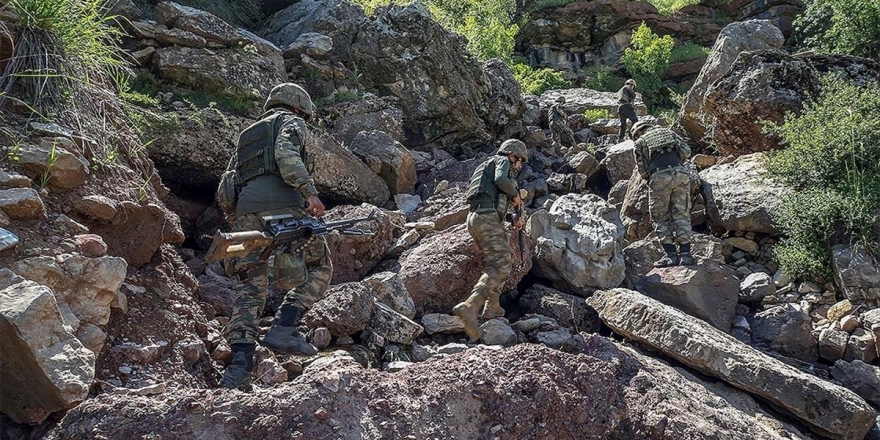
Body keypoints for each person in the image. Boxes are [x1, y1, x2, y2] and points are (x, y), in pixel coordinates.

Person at [215, 83, 333, 389]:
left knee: (250, 286)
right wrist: (309, 191)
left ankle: (240, 364)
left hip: (246, 214)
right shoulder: (291, 121)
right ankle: (285, 327)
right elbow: (285, 151)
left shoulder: (246, 136)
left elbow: (227, 185)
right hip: (287, 208)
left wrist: (239, 222)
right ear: (299, 107)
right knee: (320, 265)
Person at [453, 139, 528, 340]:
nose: (520, 166)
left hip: (476, 218)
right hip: (486, 219)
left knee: (499, 263)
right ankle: (470, 307)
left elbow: (491, 198)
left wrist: (513, 218)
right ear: (511, 155)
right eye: (520, 161)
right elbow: (501, 181)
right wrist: (516, 195)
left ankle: (492, 307)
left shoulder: (485, 167)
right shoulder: (501, 161)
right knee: (500, 264)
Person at [631, 120, 694, 267]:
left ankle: (671, 256)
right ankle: (686, 255)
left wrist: (653, 176)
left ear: (639, 132)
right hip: (680, 174)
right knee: (682, 213)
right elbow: (686, 152)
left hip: (659, 177)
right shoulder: (669, 133)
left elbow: (643, 171)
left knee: (659, 217)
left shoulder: (640, 142)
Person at [617, 79, 639, 143]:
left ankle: (620, 138)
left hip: (620, 107)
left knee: (623, 124)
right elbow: (633, 94)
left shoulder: (620, 90)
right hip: (626, 106)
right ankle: (631, 134)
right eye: (633, 86)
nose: (633, 88)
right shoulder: (628, 87)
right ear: (632, 84)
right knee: (635, 120)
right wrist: (632, 103)